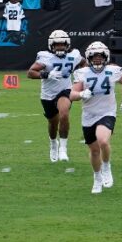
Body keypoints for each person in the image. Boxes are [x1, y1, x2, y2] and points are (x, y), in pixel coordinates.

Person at [70, 42, 122, 194]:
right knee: (94, 151)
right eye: (94, 57)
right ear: (89, 58)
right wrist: (81, 94)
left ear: (106, 57)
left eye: (100, 56)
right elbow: (71, 94)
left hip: (107, 112)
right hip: (89, 115)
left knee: (103, 140)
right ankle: (97, 178)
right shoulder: (82, 73)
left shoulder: (113, 70)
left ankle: (107, 166)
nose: (97, 59)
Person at [27, 30, 85, 163]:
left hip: (65, 91)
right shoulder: (45, 57)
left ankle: (63, 149)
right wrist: (46, 74)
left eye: (62, 44)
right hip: (48, 95)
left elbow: (83, 63)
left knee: (64, 114)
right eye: (57, 44)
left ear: (67, 44)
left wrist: (81, 76)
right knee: (53, 123)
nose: (60, 47)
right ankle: (53, 143)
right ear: (51, 45)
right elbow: (30, 72)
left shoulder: (74, 55)